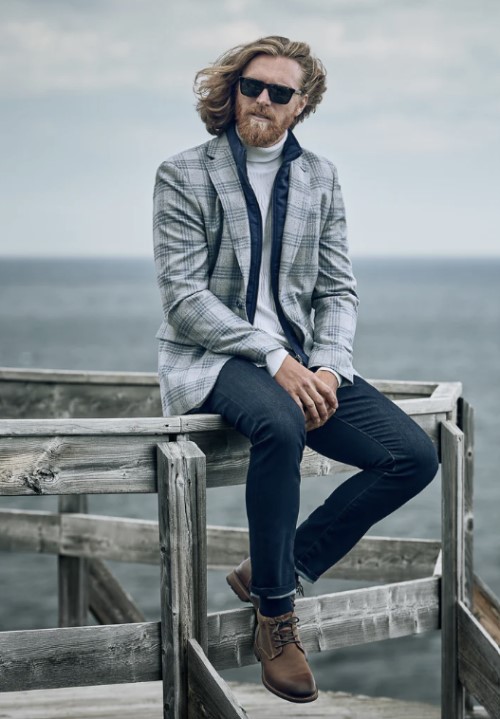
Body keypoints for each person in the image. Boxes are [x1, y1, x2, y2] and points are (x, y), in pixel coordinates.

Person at [153, 35, 438, 704]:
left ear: (299, 105)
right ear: (232, 89)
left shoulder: (322, 178)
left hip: (308, 362)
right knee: (279, 424)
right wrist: (275, 358)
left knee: (414, 456)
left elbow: (337, 290)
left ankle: (283, 564)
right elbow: (185, 299)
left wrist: (331, 370)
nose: (262, 99)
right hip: (215, 357)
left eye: (279, 92)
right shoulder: (183, 173)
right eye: (252, 85)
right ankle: (276, 620)